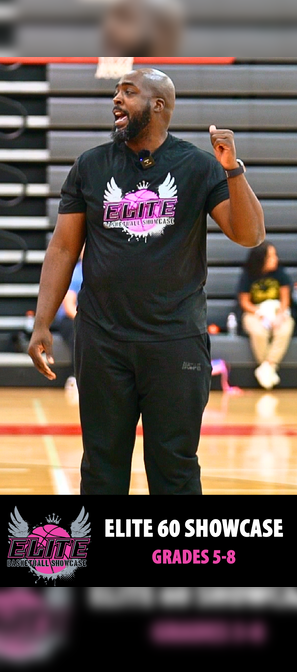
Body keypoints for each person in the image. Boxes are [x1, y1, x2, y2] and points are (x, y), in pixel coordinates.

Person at [28, 67, 265, 495]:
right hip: (103, 341)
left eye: (128, 92)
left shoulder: (197, 166)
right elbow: (63, 249)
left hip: (175, 340)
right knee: (101, 469)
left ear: (157, 105)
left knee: (174, 470)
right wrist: (42, 321)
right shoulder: (91, 165)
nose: (116, 100)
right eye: (116, 92)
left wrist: (233, 170)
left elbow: (249, 235)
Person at [238, 241, 295, 390]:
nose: (275, 258)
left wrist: (281, 315)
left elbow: (285, 298)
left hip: (277, 310)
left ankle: (266, 367)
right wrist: (260, 314)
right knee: (258, 332)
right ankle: (269, 369)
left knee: (284, 329)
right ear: (261, 259)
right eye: (271, 256)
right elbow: (244, 302)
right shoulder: (248, 274)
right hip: (254, 312)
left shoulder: (280, 272)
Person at [53, 247, 84, 400]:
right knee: (78, 333)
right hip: (71, 318)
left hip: (92, 318)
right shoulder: (77, 273)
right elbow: (69, 306)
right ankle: (76, 377)